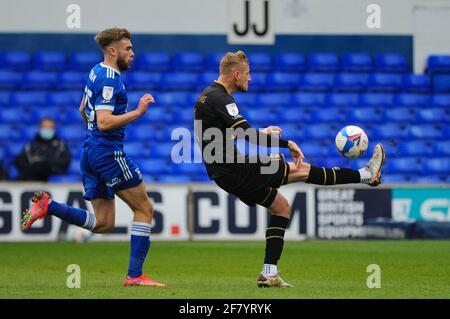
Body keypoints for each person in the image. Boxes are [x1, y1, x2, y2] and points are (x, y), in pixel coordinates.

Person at [194, 51, 385, 288]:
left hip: (225, 172)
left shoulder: (208, 96)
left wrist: (262, 133)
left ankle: (269, 274)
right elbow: (247, 134)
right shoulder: (221, 99)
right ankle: (366, 175)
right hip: (235, 168)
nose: (250, 79)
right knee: (302, 170)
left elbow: (222, 134)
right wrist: (286, 144)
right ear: (236, 74)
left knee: (282, 208)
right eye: (248, 74)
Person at [21, 28, 165, 287]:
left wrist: (93, 140)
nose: (132, 53)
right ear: (113, 51)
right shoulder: (110, 78)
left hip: (90, 152)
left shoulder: (95, 71)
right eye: (128, 49)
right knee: (144, 208)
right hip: (107, 153)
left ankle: (47, 206)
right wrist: (138, 112)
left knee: (103, 223)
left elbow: (82, 110)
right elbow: (105, 121)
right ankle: (134, 276)